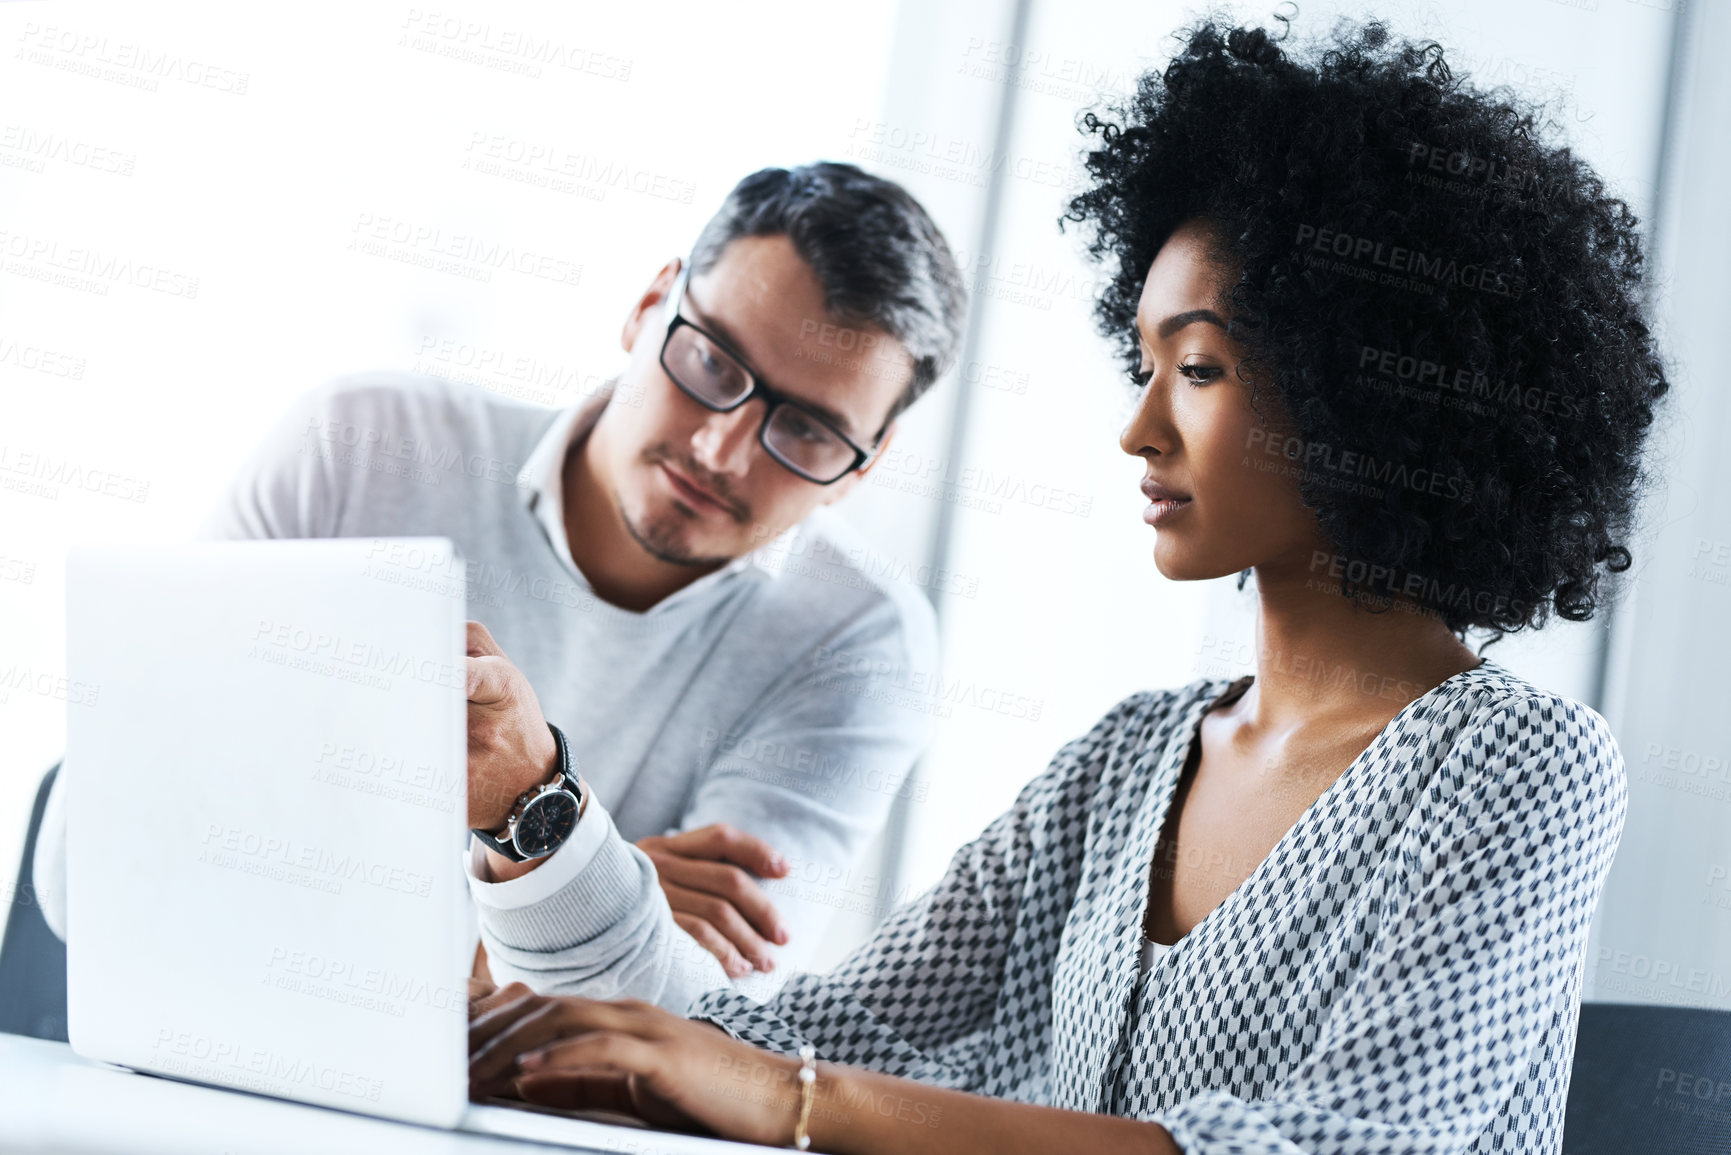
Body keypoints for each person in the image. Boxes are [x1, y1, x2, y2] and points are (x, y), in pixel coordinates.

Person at [462, 13, 1671, 1153]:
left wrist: (784, 1094)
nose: (1139, 429)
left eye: (1197, 368)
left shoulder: (1522, 765)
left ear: (1369, 387)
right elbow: (798, 1040)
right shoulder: (1129, 761)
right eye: (1142, 363)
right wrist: (538, 836)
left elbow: (1344, 1145)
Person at [32, 162, 967, 1013]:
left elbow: (692, 1028)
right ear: (648, 306)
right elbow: (96, 871)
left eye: (804, 429)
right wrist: (574, 871)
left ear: (865, 463)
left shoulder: (861, 643)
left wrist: (354, 860)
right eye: (713, 361)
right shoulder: (358, 451)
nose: (719, 448)